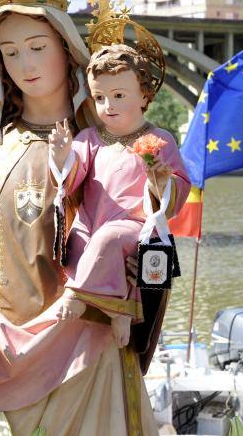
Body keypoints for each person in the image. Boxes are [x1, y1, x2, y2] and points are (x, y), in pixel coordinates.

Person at [0, 0, 165, 435]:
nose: (25, 65)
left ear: (67, 52)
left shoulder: (102, 140)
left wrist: (135, 263)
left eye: (37, 48)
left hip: (86, 338)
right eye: (10, 53)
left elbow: (142, 221)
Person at [48, 44, 189, 349]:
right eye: (99, 98)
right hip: (90, 223)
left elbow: (176, 193)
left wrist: (161, 180)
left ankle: (99, 303)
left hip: (131, 229)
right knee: (79, 241)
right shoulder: (90, 140)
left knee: (110, 238)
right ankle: (113, 307)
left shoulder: (158, 140)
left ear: (144, 95)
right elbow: (70, 180)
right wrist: (62, 158)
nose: (108, 105)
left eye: (119, 96)